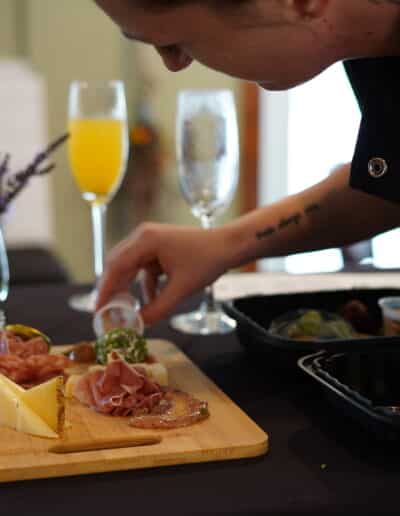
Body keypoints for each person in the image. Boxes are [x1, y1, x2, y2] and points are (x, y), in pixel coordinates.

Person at [94, 0, 400, 325]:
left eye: (174, 43)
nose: (174, 64)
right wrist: (223, 244)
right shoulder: (375, 53)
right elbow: (387, 189)